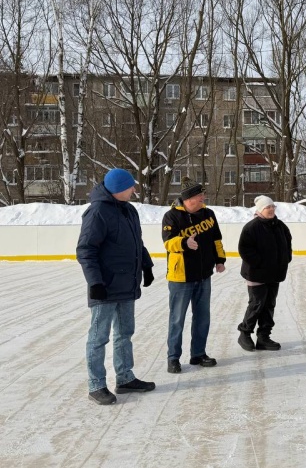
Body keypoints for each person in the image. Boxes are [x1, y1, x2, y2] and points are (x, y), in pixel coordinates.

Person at [77, 168, 156, 405]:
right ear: (120, 189)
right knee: (98, 338)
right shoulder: (98, 212)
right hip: (106, 286)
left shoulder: (129, 210)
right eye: (131, 186)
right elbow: (86, 250)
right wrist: (95, 283)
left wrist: (147, 265)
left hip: (126, 284)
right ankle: (96, 385)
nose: (134, 190)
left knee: (125, 333)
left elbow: (136, 243)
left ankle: (124, 378)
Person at [162, 177, 226, 374]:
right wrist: (183, 243)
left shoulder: (208, 214)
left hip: (203, 275)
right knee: (177, 319)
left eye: (202, 195)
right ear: (188, 199)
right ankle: (173, 358)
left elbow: (216, 238)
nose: (202, 198)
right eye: (199, 196)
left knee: (202, 317)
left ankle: (198, 353)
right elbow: (167, 242)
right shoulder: (171, 216)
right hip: (180, 277)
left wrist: (220, 259)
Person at [236, 195, 293, 351]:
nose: (271, 209)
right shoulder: (251, 227)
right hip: (256, 274)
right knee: (256, 303)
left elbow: (287, 243)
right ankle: (245, 333)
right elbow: (245, 249)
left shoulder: (280, 226)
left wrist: (285, 259)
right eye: (268, 207)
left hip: (274, 273)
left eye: (273, 207)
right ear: (260, 209)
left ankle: (263, 337)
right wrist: (260, 264)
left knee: (269, 305)